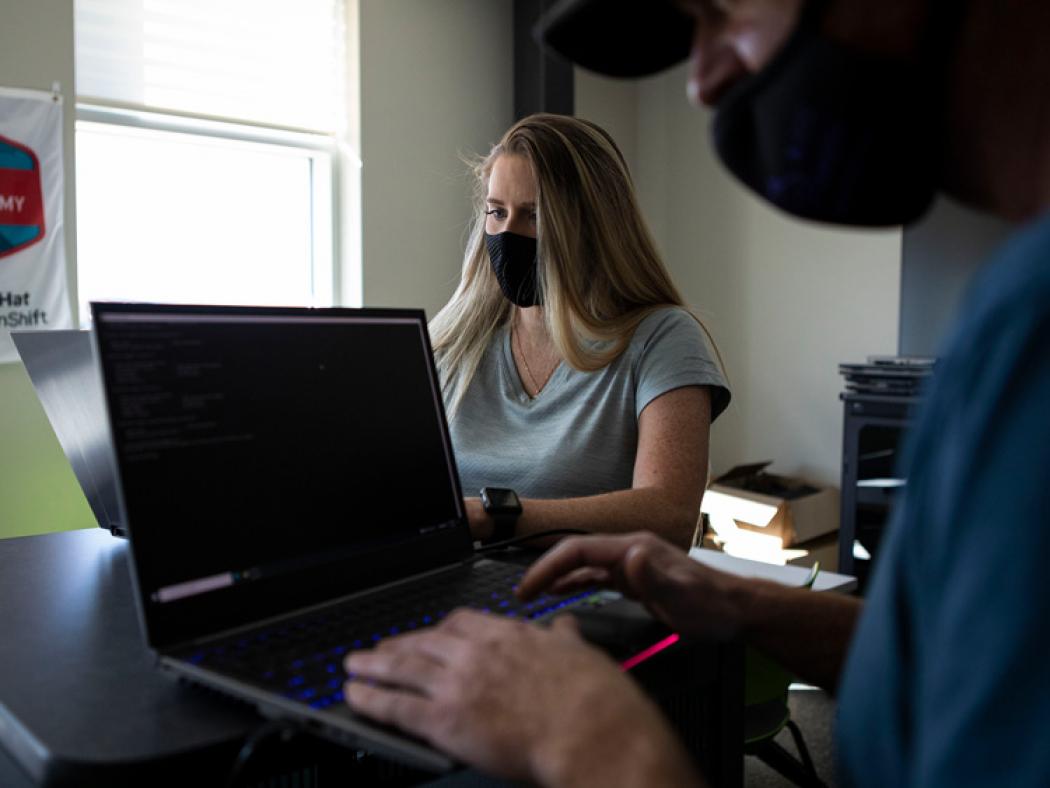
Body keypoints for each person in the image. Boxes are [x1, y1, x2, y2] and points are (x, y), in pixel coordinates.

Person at [342, 1, 1050, 786]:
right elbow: (948, 662)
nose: (703, 84)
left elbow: (668, 507)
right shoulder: (1009, 306)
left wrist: (588, 737)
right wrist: (750, 606)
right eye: (497, 213)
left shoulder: (1028, 325)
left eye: (721, 12)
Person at [428, 113, 729, 547]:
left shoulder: (662, 338)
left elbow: (669, 515)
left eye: (533, 215)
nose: (508, 232)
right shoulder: (456, 342)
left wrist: (497, 517)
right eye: (497, 212)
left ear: (591, 225)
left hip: (587, 598)